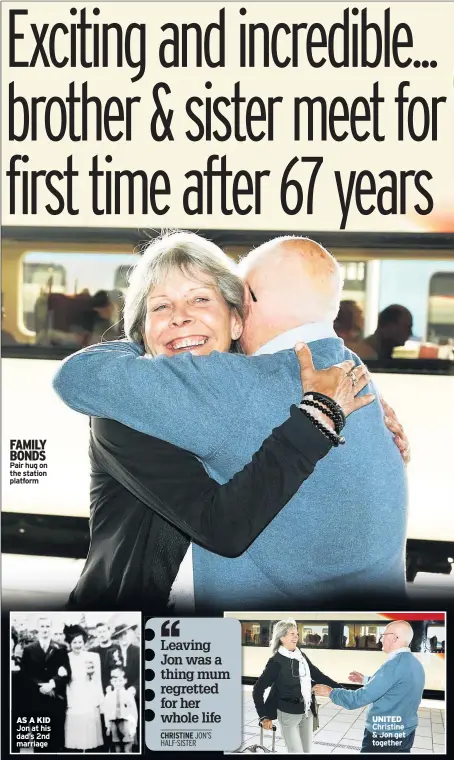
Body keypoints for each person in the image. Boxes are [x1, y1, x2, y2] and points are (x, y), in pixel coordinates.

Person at [54, 232, 409, 610]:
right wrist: (318, 418)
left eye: (201, 299)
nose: (180, 317)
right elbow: (222, 527)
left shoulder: (253, 385)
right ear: (141, 330)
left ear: (238, 320)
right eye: (159, 308)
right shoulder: (124, 412)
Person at [313, 620, 425, 753]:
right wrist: (365, 679)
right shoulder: (414, 663)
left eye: (384, 635)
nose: (380, 639)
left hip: (384, 736)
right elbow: (396, 686)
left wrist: (331, 692)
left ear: (394, 637)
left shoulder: (394, 665)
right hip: (405, 733)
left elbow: (358, 698)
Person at [253, 620, 339, 754]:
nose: (296, 637)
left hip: (307, 711)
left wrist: (344, 690)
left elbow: (319, 676)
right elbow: (258, 689)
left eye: (297, 634)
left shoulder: (301, 656)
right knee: (296, 752)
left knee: (306, 752)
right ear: (282, 638)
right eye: (292, 633)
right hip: (288, 714)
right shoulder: (276, 662)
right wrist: (263, 716)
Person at [20, 617, 70, 753]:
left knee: (57, 736)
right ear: (38, 629)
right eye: (42, 626)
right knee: (40, 739)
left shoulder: (61, 648)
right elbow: (25, 674)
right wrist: (41, 686)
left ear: (51, 628)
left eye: (47, 626)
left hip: (56, 698)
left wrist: (52, 683)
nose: (45, 629)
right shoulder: (29, 649)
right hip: (37, 700)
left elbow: (67, 672)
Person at [64, 624, 104, 752]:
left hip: (89, 696)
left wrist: (99, 702)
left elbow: (98, 680)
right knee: (76, 732)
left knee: (90, 732)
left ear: (84, 642)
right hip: (73, 695)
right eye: (74, 642)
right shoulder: (66, 658)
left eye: (80, 642)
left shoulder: (93, 657)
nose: (78, 645)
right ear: (70, 643)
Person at [103, 667, 138, 753]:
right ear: (111, 682)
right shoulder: (109, 695)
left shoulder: (128, 694)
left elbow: (133, 711)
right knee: (116, 744)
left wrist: (133, 728)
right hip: (113, 722)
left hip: (126, 722)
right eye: (115, 681)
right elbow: (106, 711)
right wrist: (107, 726)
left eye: (120, 680)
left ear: (125, 680)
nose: (118, 683)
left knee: (128, 745)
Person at [89, 623, 123, 693]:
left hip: (115, 688)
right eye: (99, 632)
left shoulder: (118, 648)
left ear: (109, 632)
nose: (102, 634)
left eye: (104, 631)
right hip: (97, 690)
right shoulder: (92, 652)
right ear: (96, 634)